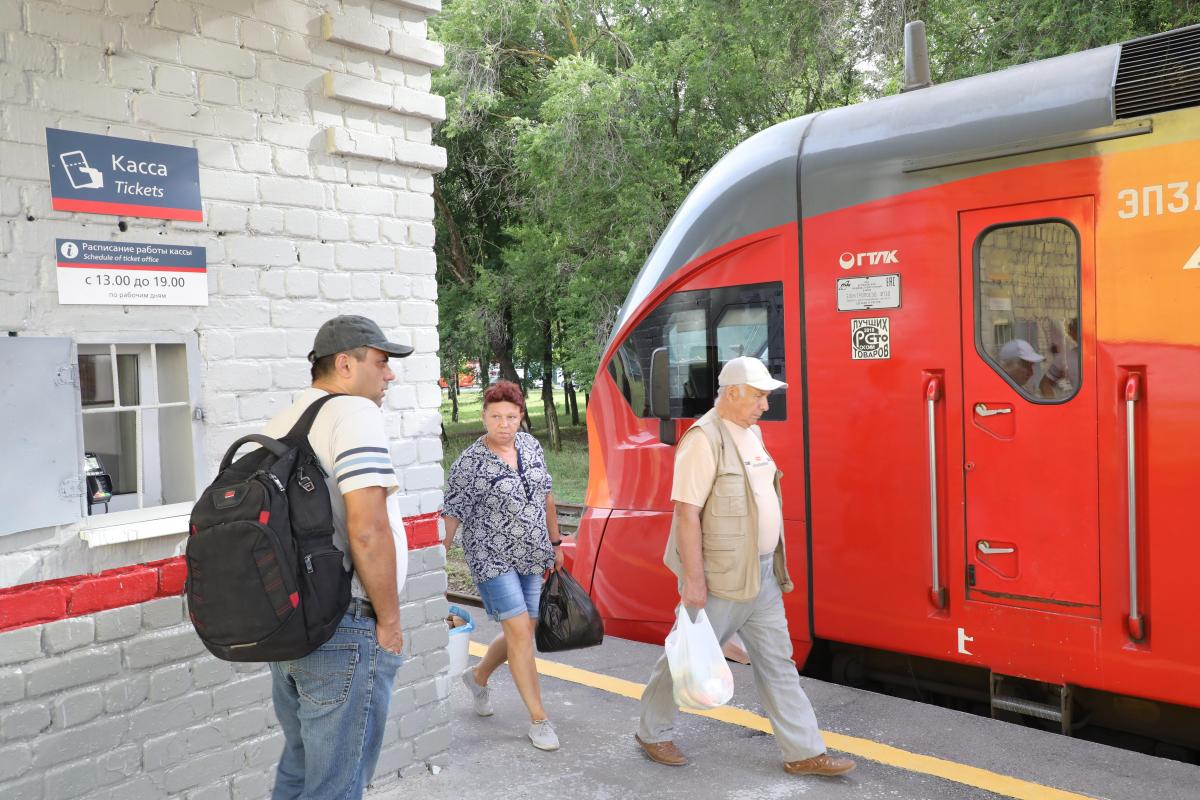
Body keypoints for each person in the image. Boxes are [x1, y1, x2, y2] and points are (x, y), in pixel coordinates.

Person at [635, 356, 855, 778]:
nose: (765, 405)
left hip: (762, 572)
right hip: (721, 575)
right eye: (758, 395)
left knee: (778, 661)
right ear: (731, 392)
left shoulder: (751, 434)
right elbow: (685, 514)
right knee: (686, 656)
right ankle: (652, 730)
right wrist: (694, 582)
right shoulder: (703, 439)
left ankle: (803, 751)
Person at [262, 315, 413, 800]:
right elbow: (366, 529)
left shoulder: (284, 420)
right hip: (343, 626)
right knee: (337, 786)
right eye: (382, 361)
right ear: (345, 364)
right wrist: (388, 622)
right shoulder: (353, 414)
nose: (389, 374)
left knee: (300, 766)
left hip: (291, 626)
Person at [443, 380, 565, 751]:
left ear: (521, 417)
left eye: (511, 416)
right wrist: (436, 564)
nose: (504, 424)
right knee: (519, 635)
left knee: (523, 632)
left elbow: (546, 495)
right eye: (495, 416)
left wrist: (556, 542)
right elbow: (451, 516)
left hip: (531, 554)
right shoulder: (470, 463)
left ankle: (477, 678)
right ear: (483, 417)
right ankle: (539, 720)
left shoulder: (530, 446)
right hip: (491, 559)